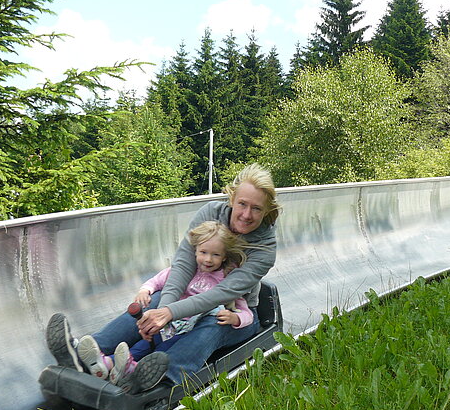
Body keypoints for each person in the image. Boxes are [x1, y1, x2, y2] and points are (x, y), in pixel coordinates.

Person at [46, 163, 281, 393]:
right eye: (242, 204)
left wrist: (169, 314)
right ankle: (87, 353)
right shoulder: (210, 214)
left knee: (214, 321)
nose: (247, 214)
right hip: (190, 296)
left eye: (256, 208)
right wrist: (162, 312)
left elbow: (222, 293)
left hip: (234, 314)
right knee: (155, 300)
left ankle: (159, 376)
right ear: (232, 199)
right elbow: (182, 265)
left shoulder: (265, 248)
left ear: (267, 210)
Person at [73, 220, 254, 392]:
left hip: (188, 332)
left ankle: (135, 372)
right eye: (203, 252)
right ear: (195, 251)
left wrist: (235, 318)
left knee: (159, 354)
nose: (208, 259)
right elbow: (158, 281)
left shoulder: (226, 280)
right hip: (167, 324)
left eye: (215, 255)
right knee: (143, 346)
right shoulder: (186, 269)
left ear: (224, 257)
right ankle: (106, 365)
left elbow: (246, 311)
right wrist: (145, 290)